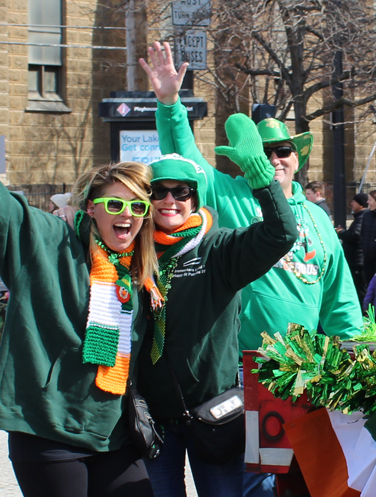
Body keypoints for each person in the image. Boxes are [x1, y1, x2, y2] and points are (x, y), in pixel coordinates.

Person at [0, 77, 159, 497]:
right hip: (48, 433)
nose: (127, 215)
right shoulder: (46, 243)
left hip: (113, 435)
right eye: (115, 204)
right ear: (92, 209)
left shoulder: (142, 272)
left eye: (137, 207)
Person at [140, 41, 362, 497]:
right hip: (240, 378)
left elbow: (339, 298)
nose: (274, 159)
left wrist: (355, 356)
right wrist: (169, 104)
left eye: (283, 150)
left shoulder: (319, 218)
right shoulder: (227, 194)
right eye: (264, 151)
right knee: (248, 484)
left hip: (303, 375)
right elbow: (184, 167)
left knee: (292, 483)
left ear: (297, 157)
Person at [134, 147, 296, 497]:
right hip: (154, 419)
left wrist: (261, 178)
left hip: (215, 415)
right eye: (158, 191)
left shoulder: (218, 248)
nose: (169, 200)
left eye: (182, 192)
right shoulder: (132, 252)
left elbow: (281, 234)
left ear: (195, 197)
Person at [336, 193, 368, 307]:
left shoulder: (362, 217)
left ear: (360, 204)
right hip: (355, 258)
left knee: (360, 289)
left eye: (354, 201)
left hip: (357, 259)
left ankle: (364, 313)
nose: (351, 204)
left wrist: (342, 233)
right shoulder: (360, 217)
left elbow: (355, 235)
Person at [360, 190, 376, 287]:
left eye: (370, 200)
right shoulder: (367, 215)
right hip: (368, 258)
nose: (367, 202)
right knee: (369, 285)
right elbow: (362, 233)